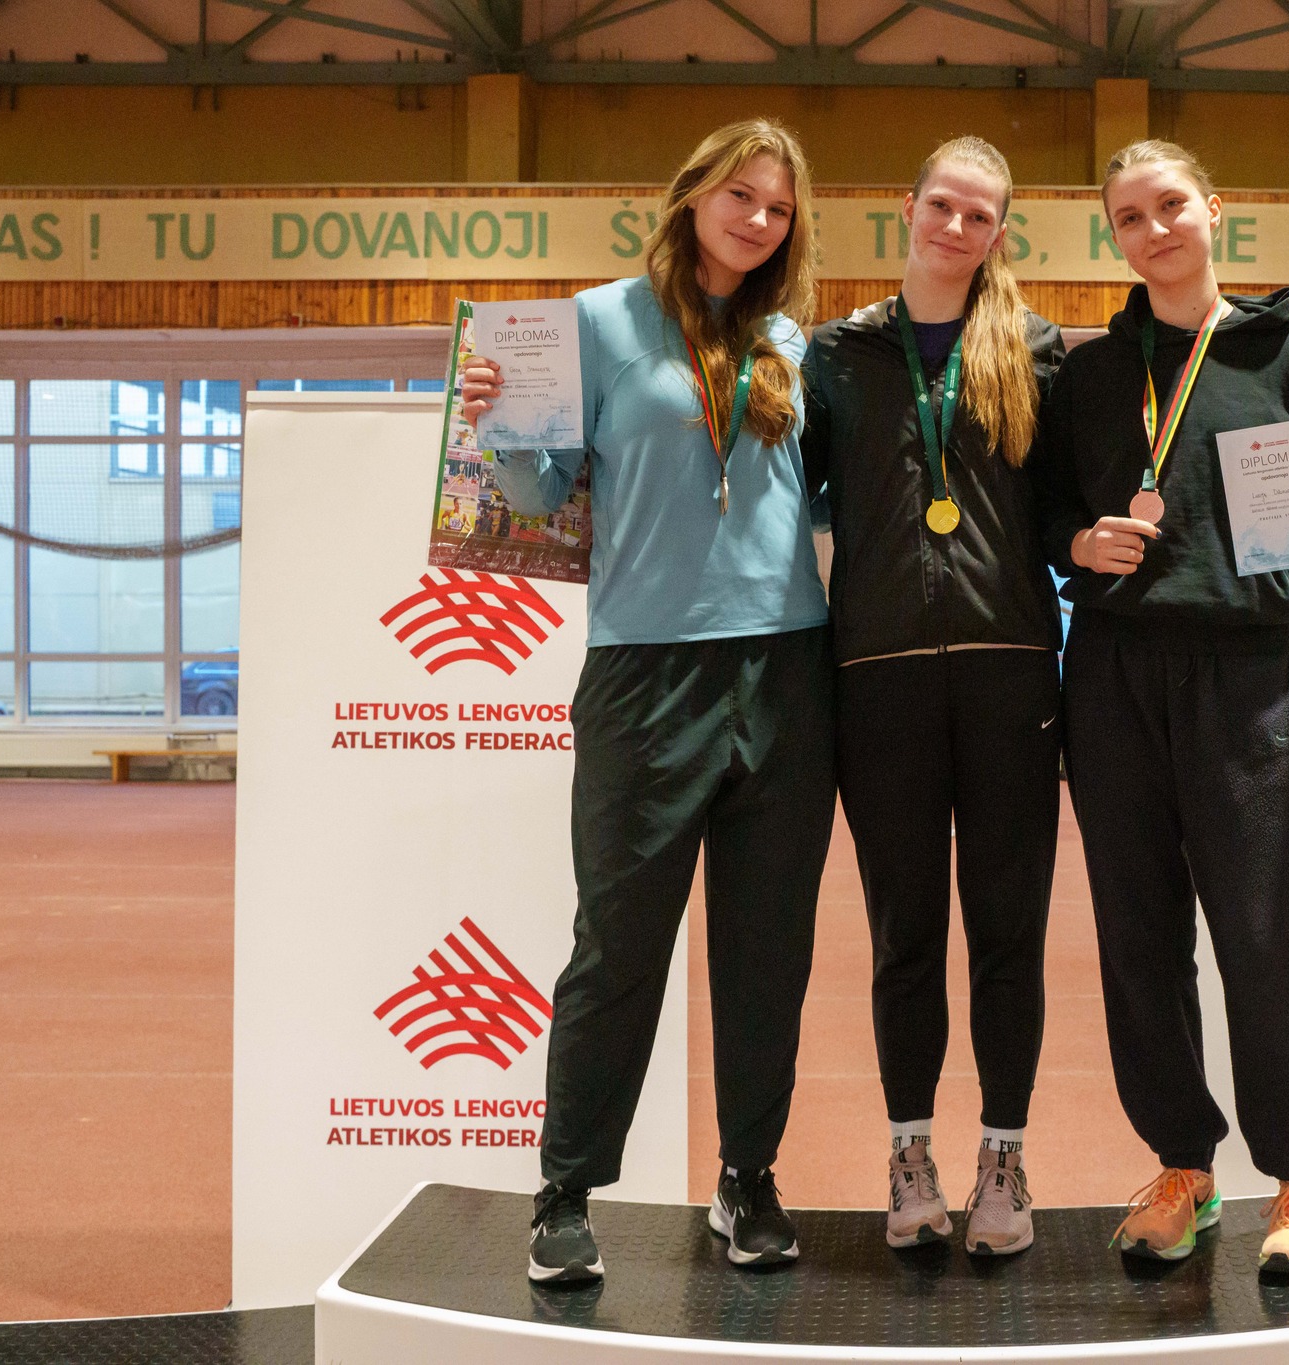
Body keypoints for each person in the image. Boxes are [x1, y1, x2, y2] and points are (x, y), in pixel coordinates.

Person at [461, 120, 834, 1283]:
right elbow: (536, 494)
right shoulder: (594, 323)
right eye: (740, 195)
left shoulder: (787, 339)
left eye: (778, 208)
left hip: (785, 671)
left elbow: (815, 495)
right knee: (617, 946)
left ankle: (747, 1179)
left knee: (767, 951)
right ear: (690, 196)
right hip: (645, 675)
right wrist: (493, 420)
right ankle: (564, 1194)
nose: (758, 220)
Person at [1030, 139, 1289, 1279]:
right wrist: (1077, 541)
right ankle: (1182, 1164)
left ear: (1214, 210)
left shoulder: (1285, 354)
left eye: (1170, 206)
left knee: (1268, 937)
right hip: (1113, 673)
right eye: (1129, 218)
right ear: (1115, 237)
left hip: (1244, 674)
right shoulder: (1090, 371)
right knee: (1139, 939)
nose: (1154, 231)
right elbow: (1047, 515)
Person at [800, 137, 1065, 1257]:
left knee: (1008, 933)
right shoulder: (836, 354)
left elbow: (1065, 505)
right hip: (879, 678)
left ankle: (1003, 1157)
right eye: (943, 207)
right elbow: (781, 486)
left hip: (1011, 673)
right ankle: (908, 1157)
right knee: (903, 934)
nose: (958, 228)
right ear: (905, 207)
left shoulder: (1037, 350)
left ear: (1000, 232)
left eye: (980, 216)